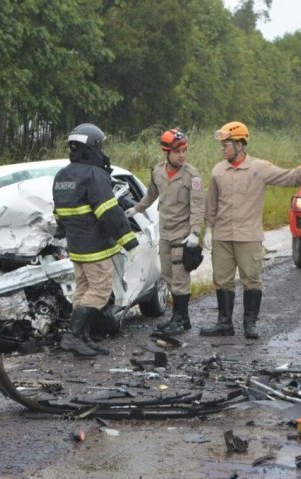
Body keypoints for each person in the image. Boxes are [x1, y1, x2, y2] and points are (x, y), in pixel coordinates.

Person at [200, 121, 301, 339]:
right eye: (222, 145)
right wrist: (208, 228)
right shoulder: (218, 170)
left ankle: (250, 325)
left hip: (248, 236)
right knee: (221, 279)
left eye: (226, 145)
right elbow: (211, 202)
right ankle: (224, 323)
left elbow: (286, 176)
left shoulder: (259, 168)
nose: (222, 149)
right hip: (222, 236)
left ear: (239, 145)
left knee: (251, 278)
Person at [52, 123, 139, 356]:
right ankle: (72, 336)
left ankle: (83, 337)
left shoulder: (62, 176)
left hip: (77, 248)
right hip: (96, 248)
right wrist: (129, 241)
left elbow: (59, 216)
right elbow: (109, 212)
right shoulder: (94, 174)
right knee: (100, 291)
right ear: (92, 146)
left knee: (83, 291)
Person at [125, 128, 204, 335]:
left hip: (182, 235)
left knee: (180, 278)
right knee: (168, 275)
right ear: (166, 152)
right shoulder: (157, 172)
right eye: (177, 151)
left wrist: (195, 233)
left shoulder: (192, 175)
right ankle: (183, 318)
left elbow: (197, 206)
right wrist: (136, 209)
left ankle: (178, 319)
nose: (182, 155)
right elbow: (151, 195)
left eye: (184, 151)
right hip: (165, 233)